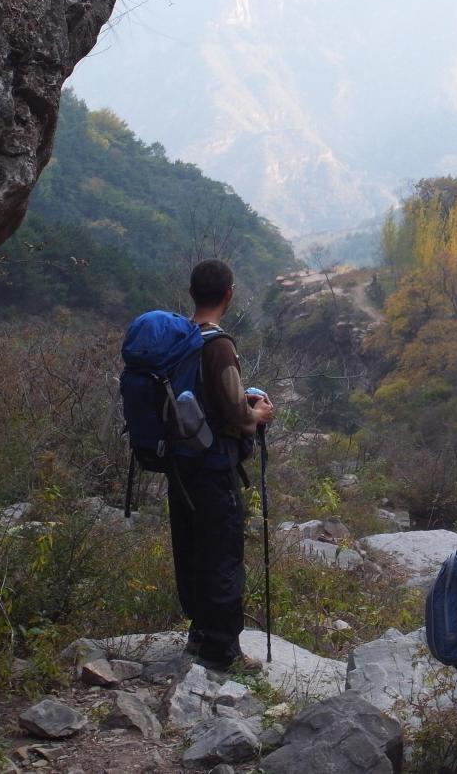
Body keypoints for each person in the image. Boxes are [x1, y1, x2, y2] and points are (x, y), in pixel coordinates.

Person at [170, 258, 275, 672]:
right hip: (214, 469)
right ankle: (223, 651)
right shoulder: (218, 345)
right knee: (223, 555)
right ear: (229, 294)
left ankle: (199, 634)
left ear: (192, 292)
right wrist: (257, 414)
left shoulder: (179, 338)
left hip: (181, 466)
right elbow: (236, 412)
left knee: (192, 549)